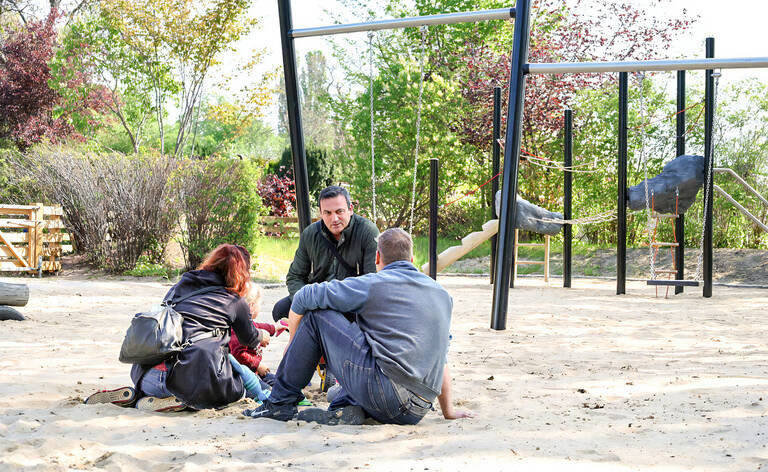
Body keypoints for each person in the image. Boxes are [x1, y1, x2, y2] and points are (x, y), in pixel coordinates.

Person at [245, 228, 475, 425]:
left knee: (317, 315)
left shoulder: (373, 284)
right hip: (418, 409)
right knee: (341, 387)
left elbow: (304, 296)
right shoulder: (443, 295)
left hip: (387, 396)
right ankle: (350, 404)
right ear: (412, 260)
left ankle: (279, 403)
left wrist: (291, 343)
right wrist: (448, 410)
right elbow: (441, 357)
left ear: (377, 258)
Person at [85, 244, 269, 412]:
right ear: (241, 274)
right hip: (191, 381)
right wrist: (262, 335)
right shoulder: (234, 301)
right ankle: (177, 400)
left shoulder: (179, 287)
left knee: (178, 371)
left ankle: (141, 397)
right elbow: (249, 339)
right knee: (239, 390)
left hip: (146, 376)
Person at [271, 186, 379, 322]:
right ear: (320, 213)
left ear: (350, 209)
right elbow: (295, 276)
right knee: (281, 310)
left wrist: (343, 302)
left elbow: (373, 281)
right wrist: (306, 301)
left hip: (351, 302)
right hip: (317, 300)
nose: (334, 219)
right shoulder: (310, 234)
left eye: (339, 211)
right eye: (327, 213)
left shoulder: (367, 232)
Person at [229, 282, 287, 386]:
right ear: (251, 306)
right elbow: (238, 354)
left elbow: (259, 327)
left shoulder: (249, 323)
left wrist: (274, 328)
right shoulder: (237, 328)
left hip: (254, 371)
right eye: (259, 304)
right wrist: (258, 365)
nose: (260, 307)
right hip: (243, 375)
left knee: (279, 382)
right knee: (267, 389)